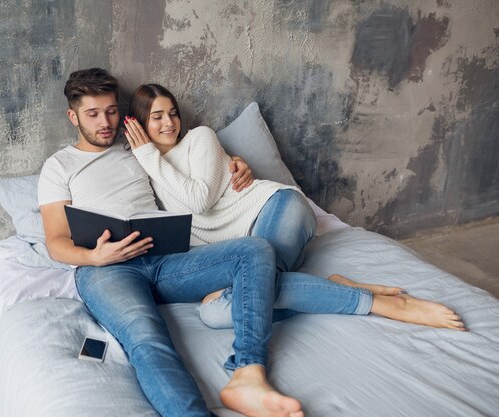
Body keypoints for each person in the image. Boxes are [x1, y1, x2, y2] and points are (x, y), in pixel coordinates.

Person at [38, 68, 306, 417]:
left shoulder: (138, 147)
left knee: (256, 249)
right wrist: (96, 257)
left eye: (111, 111)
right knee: (146, 336)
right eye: (93, 114)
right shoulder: (59, 166)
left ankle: (248, 373)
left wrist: (237, 163)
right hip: (107, 269)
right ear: (73, 116)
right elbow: (56, 242)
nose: (105, 122)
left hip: (164, 258)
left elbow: (192, 164)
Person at [123, 83, 466, 332]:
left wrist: (151, 155)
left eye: (172, 114)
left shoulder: (200, 138)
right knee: (214, 314)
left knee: (246, 297)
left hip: (275, 209)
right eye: (156, 117)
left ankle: (381, 304)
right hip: (244, 252)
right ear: (139, 124)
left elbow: (199, 199)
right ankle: (337, 286)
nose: (169, 123)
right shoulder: (147, 174)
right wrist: (148, 160)